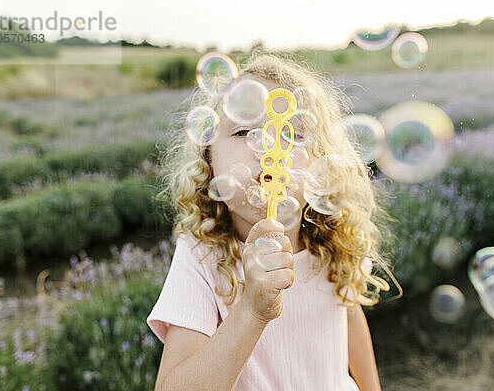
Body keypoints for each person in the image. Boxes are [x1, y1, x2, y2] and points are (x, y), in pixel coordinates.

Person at [147, 52, 395, 391]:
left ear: (319, 163)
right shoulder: (203, 257)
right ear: (209, 158)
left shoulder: (331, 244)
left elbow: (349, 320)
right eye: (244, 130)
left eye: (291, 133)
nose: (268, 147)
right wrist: (252, 309)